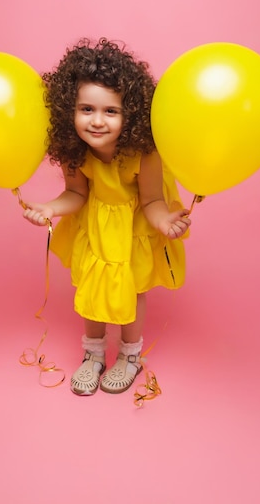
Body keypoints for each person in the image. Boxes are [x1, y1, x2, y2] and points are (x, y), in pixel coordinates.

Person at [23, 38, 191, 396]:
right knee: (91, 284)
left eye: (110, 112)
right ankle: (94, 352)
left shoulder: (144, 153)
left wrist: (164, 222)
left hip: (132, 229)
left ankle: (130, 355)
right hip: (95, 227)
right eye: (86, 109)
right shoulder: (75, 151)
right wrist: (49, 208)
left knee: (132, 289)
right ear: (70, 109)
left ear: (129, 113)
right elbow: (76, 193)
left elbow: (151, 200)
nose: (96, 121)